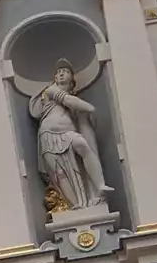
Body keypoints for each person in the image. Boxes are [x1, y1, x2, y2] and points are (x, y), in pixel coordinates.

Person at [30, 60, 110, 213]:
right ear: (54, 78)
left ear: (72, 78)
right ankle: (77, 206)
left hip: (67, 134)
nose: (61, 74)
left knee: (82, 144)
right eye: (58, 72)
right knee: (60, 174)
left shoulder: (72, 100)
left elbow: (79, 115)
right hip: (49, 137)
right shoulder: (51, 90)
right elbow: (70, 101)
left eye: (65, 71)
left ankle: (99, 185)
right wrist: (89, 108)